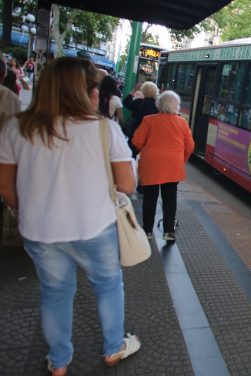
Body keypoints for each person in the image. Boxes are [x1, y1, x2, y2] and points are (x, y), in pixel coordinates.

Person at [0, 57, 141, 376]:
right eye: (94, 89)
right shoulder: (105, 128)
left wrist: (37, 208)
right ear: (87, 93)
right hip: (94, 227)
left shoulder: (16, 127)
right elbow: (127, 185)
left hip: (39, 230)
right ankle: (113, 348)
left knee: (55, 293)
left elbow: (6, 188)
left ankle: (59, 362)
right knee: (108, 286)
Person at [132, 90, 194, 241]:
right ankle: (168, 232)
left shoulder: (149, 120)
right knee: (170, 199)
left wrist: (146, 150)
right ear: (176, 106)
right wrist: (180, 159)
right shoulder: (182, 123)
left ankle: (147, 231)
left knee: (149, 198)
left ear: (159, 104)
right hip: (173, 165)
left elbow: (136, 141)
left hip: (151, 164)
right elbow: (190, 146)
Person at [123, 81, 159, 157]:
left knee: (132, 156)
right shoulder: (158, 106)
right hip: (150, 138)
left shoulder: (139, 102)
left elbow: (126, 103)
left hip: (136, 134)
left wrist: (134, 90)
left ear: (143, 91)